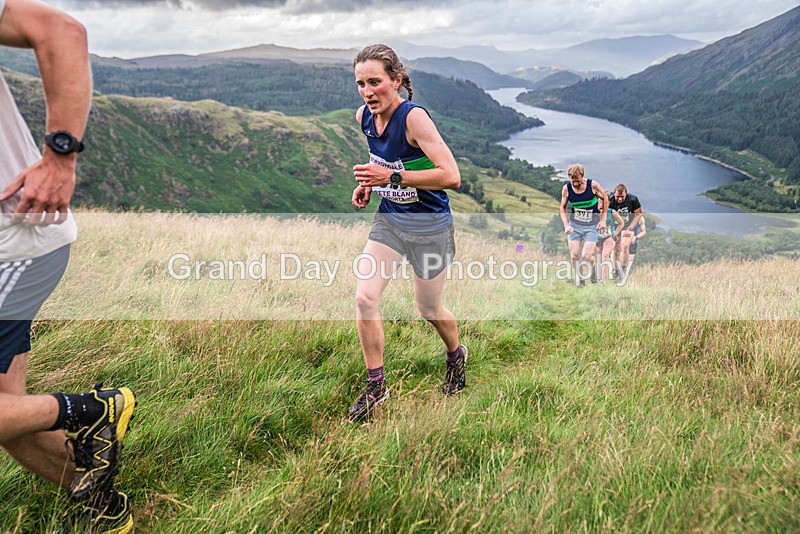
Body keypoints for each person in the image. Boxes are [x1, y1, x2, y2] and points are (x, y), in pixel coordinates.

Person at [0, 1, 135, 531]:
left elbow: (60, 30)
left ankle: (96, 409)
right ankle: (106, 507)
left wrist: (60, 155)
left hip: (14, 244)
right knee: (9, 413)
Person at [349, 44, 466, 421]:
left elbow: (451, 176)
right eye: (361, 84)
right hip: (391, 221)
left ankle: (455, 355)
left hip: (430, 227)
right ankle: (376, 387)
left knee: (428, 308)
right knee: (365, 298)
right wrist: (370, 184)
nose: (368, 92)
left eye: (375, 82)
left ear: (396, 80)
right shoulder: (364, 117)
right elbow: (381, 161)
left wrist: (391, 177)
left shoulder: (414, 119)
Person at [559, 163, 608, 286]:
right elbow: (562, 207)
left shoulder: (593, 185)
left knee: (586, 256)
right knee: (574, 256)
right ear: (569, 177)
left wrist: (603, 220)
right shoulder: (566, 189)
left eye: (578, 180)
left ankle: (593, 267)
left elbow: (605, 199)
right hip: (575, 226)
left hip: (591, 226)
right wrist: (566, 225)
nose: (575, 183)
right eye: (572, 180)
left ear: (582, 175)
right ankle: (580, 280)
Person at [608, 183, 643, 281]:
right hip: (615, 226)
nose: (620, 199)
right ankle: (615, 270)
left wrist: (631, 228)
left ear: (626, 194)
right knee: (616, 250)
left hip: (628, 225)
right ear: (614, 194)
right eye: (617, 197)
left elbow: (639, 214)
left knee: (625, 246)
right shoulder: (610, 201)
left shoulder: (633, 199)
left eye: (622, 197)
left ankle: (622, 269)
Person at [593, 205, 624, 284]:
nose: (601, 211)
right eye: (599, 209)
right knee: (598, 258)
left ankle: (602, 281)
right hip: (597, 238)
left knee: (605, 254)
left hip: (609, 237)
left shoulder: (612, 212)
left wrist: (614, 236)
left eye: (603, 209)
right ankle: (596, 272)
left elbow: (621, 223)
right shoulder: (592, 212)